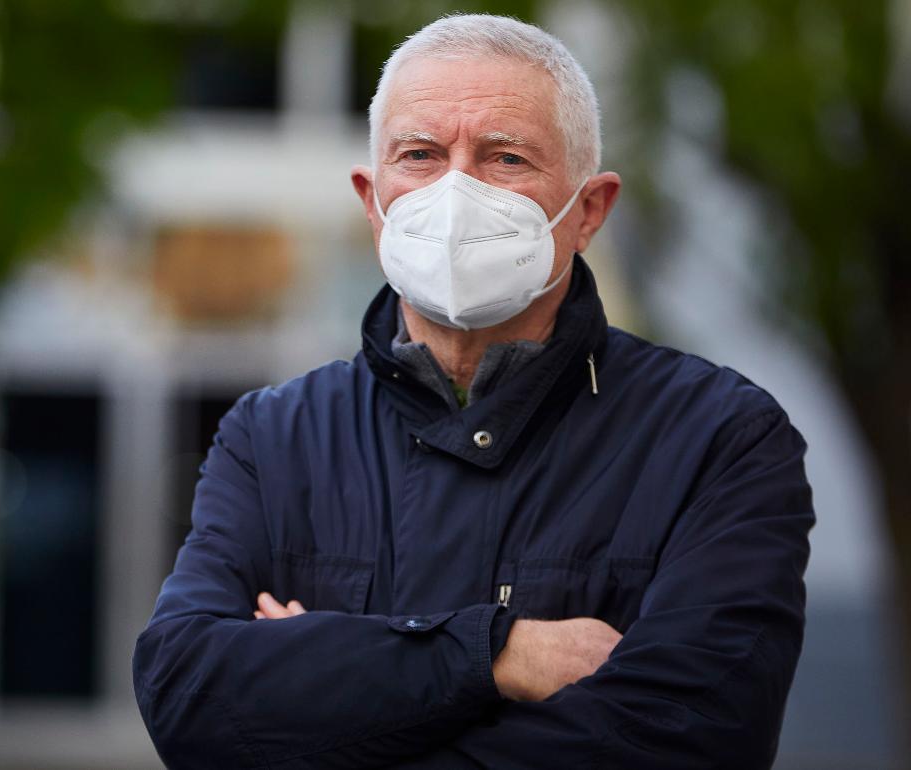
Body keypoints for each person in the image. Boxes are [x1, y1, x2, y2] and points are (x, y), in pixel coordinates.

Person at [132, 13, 813, 769]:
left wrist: (323, 686)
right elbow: (187, 694)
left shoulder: (715, 440)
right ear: (372, 199)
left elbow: (692, 739)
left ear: (588, 210)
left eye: (506, 157)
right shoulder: (275, 436)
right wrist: (500, 656)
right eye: (420, 154)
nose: (455, 192)